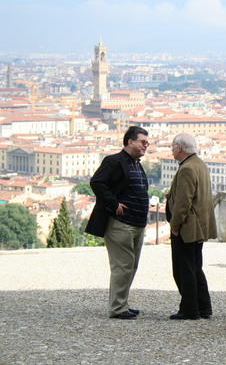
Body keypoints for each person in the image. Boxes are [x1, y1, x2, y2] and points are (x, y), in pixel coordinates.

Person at [86, 126, 150, 319]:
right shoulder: (114, 161)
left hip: (137, 223)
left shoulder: (136, 163)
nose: (146, 146)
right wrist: (113, 204)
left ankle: (122, 303)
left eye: (147, 143)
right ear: (130, 141)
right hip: (120, 223)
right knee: (123, 265)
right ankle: (117, 308)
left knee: (131, 265)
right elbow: (97, 182)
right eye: (143, 142)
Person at [166, 133, 217, 320]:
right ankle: (203, 307)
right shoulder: (199, 164)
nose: (171, 149)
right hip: (200, 225)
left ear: (180, 148)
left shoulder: (186, 168)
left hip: (188, 227)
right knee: (195, 266)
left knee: (183, 268)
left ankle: (189, 309)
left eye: (172, 146)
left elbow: (183, 202)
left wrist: (175, 225)